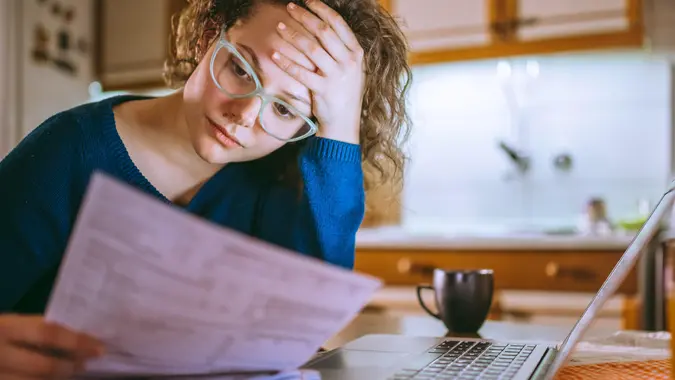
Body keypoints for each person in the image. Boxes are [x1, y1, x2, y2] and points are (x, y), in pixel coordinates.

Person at [0, 0, 411, 377]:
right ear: (207, 36)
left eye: (285, 109)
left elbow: (307, 325)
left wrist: (340, 127)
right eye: (240, 70)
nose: (244, 116)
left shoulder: (279, 183)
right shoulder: (68, 150)